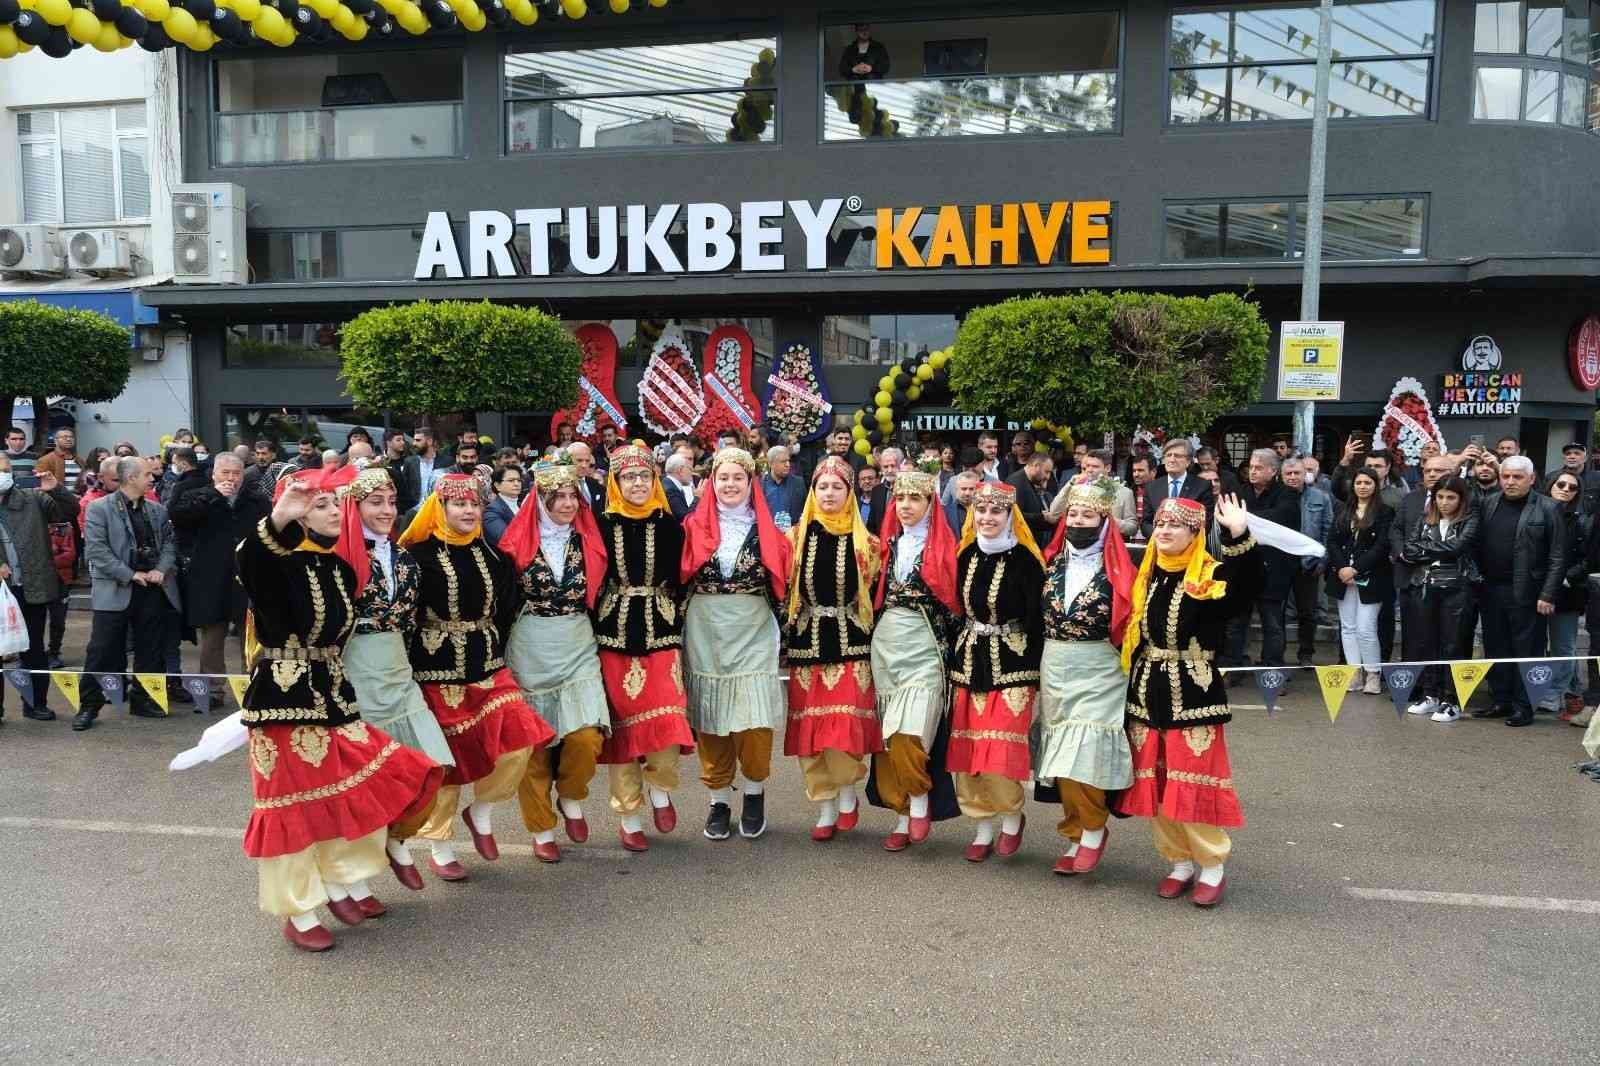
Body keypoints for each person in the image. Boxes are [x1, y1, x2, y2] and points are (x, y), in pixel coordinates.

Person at [227, 467, 444, 952]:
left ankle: (347, 879)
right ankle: (298, 909)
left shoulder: (340, 569)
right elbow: (251, 558)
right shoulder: (275, 562)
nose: (327, 512)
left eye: (332, 504)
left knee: (365, 783)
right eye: (317, 505)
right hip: (282, 701)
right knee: (291, 808)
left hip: (334, 693)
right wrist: (283, 513)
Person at [398, 473, 554, 880]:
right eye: (459, 505)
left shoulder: (494, 555)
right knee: (451, 760)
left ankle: (481, 810)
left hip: (487, 664)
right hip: (435, 668)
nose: (468, 511)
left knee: (521, 739)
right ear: (440, 508)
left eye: (474, 505)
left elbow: (505, 608)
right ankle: (441, 844)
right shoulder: (417, 556)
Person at [1120, 494, 1259, 907]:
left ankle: (1211, 866)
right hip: (1147, 691)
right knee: (1159, 782)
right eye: (1160, 524)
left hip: (1193, 692)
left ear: (1195, 532)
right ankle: (1178, 862)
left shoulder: (1209, 575)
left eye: (1175, 525)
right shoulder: (1148, 574)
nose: (1164, 531)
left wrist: (1238, 533)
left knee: (1192, 781)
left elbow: (1244, 593)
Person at [332, 466, 457, 891]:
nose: (387, 510)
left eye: (390, 502)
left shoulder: (404, 556)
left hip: (399, 670)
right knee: (366, 781)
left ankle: (397, 837)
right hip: (355, 671)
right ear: (354, 505)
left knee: (433, 765)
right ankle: (356, 881)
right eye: (375, 502)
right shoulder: (338, 556)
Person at [679, 447, 792, 842]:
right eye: (723, 478)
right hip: (705, 627)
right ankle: (718, 800)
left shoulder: (769, 533)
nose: (730, 485)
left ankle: (755, 792)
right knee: (710, 715)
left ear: (750, 483)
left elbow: (783, 587)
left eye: (738, 478)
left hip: (753, 626)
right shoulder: (691, 527)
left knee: (754, 716)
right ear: (711, 482)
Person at [501, 461, 611, 863]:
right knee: (535, 744)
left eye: (572, 496)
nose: (567, 504)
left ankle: (571, 795)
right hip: (530, 644)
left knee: (586, 735)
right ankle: (541, 826)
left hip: (578, 640)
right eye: (558, 497)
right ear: (541, 501)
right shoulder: (515, 545)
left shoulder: (591, 542)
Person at [590, 445, 696, 851]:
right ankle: (629, 814)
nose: (637, 484)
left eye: (644, 477)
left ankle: (661, 788)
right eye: (628, 478)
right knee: (623, 731)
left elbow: (684, 578)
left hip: (661, 630)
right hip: (614, 634)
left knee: (669, 716)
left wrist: (675, 611)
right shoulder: (600, 525)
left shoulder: (670, 525)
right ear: (615, 483)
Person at [1034, 478, 1135, 877]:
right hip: (1056, 666)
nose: (1078, 521)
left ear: (1104, 520)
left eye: (1087, 515)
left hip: (1100, 669)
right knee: (1061, 758)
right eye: (1073, 514)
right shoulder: (1050, 562)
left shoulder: (1118, 569)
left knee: (1086, 753)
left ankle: (1093, 831)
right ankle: (1076, 830)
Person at [782, 456, 883, 842]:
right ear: (813, 491)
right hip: (807, 641)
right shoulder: (793, 539)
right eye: (822, 487)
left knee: (842, 728)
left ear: (849, 492)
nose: (828, 494)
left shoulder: (867, 543)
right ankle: (824, 805)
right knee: (812, 733)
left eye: (836, 487)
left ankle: (846, 791)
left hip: (851, 640)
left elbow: (876, 592)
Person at [946, 482, 1045, 864]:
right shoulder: (965, 553)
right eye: (981, 511)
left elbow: (1037, 620)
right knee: (969, 750)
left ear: (1010, 517)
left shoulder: (1026, 560)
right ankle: (982, 825)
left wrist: (1038, 670)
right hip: (969, 660)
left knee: (1001, 749)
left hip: (1014, 662)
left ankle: (1010, 816)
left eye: (995, 513)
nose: (987, 519)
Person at [868, 466, 961, 851]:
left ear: (930, 503)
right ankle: (903, 812)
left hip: (926, 645)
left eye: (915, 498)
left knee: (912, 731)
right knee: (890, 734)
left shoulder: (946, 548)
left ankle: (921, 799)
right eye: (900, 499)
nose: (906, 506)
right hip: (886, 644)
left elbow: (957, 603)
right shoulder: (884, 546)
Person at [75, 457, 179, 729]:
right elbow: (96, 551)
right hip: (115, 590)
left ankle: (143, 700)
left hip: (151, 590)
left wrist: (160, 568)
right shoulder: (99, 509)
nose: (152, 478)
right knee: (101, 650)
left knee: (151, 650)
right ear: (131, 477)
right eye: (147, 474)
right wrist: (130, 574)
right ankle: (88, 705)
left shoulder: (157, 510)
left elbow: (170, 543)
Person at [1471, 456, 1564, 726]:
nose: (1510, 482)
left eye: (1517, 477)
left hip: (1529, 593)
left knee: (1528, 650)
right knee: (1496, 646)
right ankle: (1500, 699)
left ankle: (1524, 706)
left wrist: (1548, 594)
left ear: (1532, 479)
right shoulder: (1488, 503)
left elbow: (1558, 557)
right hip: (1491, 589)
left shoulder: (1549, 507)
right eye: (1506, 476)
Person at [168, 453, 268, 700]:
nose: (231, 479)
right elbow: (179, 517)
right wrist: (213, 495)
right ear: (214, 474)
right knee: (212, 637)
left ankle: (255, 688)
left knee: (252, 636)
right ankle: (213, 690)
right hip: (210, 578)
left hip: (249, 577)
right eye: (226, 473)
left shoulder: (256, 499)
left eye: (236, 473)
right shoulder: (195, 494)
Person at [1399, 476, 1480, 722]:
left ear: (1461, 499)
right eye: (1440, 497)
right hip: (1425, 585)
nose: (1444, 502)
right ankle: (1431, 695)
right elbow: (1408, 549)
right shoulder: (1425, 519)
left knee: (1453, 644)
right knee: (1427, 642)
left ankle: (1451, 700)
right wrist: (1432, 549)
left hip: (1457, 587)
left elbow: (1458, 547)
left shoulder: (1470, 518)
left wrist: (1425, 549)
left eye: (1451, 497)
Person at [0, 458, 74, 722]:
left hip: (30, 587)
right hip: (1, 591)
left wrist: (55, 489)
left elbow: (69, 512)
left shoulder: (32, 498)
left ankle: (35, 703)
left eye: (6, 470)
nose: (3, 475)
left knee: (33, 649)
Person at [1223, 449, 1299, 675]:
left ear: (1273, 471)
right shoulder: (1241, 491)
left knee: (1273, 624)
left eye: (1259, 468)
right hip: (1243, 568)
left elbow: (1281, 518)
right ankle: (1233, 670)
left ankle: (1272, 672)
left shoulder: (1288, 494)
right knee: (1236, 623)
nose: (1252, 471)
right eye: (1252, 467)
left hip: (1274, 570)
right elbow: (1228, 521)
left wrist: (1245, 519)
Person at [1325, 469, 1395, 696]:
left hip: (1372, 577)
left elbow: (1382, 546)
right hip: (1343, 577)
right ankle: (1354, 673)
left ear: (1376, 485)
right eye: (1358, 482)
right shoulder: (1343, 510)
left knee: (1366, 628)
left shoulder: (1385, 512)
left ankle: (1373, 673)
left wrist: (1357, 568)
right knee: (1348, 627)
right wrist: (1343, 568)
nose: (1363, 486)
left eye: (1367, 482)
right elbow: (1333, 541)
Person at [1543, 472, 1590, 719]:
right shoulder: (1536, 513)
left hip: (1567, 593)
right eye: (1561, 484)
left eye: (1572, 487)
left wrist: (1564, 578)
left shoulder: (1582, 521)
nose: (1565, 489)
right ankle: (1568, 691)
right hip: (1535, 590)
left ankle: (1553, 695)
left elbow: (1588, 558)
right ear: (1550, 485)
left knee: (1564, 646)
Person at [1282, 455, 1332, 666]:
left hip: (1308, 563)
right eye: (1288, 473)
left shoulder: (1321, 497)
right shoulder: (1275, 497)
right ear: (1281, 475)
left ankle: (1306, 654)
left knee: (1308, 613)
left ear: (1306, 475)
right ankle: (1277, 657)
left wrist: (1323, 560)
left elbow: (1328, 531)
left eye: (1297, 473)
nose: (1293, 477)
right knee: (1278, 613)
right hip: (1281, 564)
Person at [1048, 449, 1137, 539]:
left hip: (1110, 547)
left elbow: (1132, 528)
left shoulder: (1124, 492)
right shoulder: (1078, 489)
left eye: (1095, 466)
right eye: (1087, 466)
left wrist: (1107, 520)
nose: (1089, 470)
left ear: (1108, 468)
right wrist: (1069, 484)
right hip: (1077, 545)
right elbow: (1054, 512)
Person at [1141, 439, 1212, 539]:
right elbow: (1145, 523)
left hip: (1189, 549)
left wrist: (1177, 540)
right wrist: (1162, 536)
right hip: (1159, 547)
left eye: (1177, 456)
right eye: (1168, 455)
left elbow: (1206, 523)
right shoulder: (1152, 487)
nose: (1172, 460)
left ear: (1188, 461)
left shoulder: (1202, 486)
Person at [760, 445, 806, 532]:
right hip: (769, 535)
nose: (788, 465)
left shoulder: (799, 483)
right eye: (783, 462)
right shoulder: (761, 485)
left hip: (793, 536)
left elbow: (804, 511)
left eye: (788, 461)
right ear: (771, 463)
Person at [483, 465, 523, 545]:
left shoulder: (522, 505)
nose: (516, 484)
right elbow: (507, 539)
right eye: (511, 480)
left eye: (519, 480)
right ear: (497, 485)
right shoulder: (491, 511)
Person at [565, 441, 606, 508]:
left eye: (587, 461)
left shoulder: (596, 485)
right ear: (568, 460)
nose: (584, 465)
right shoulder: (560, 487)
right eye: (579, 460)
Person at [943, 469, 979, 536]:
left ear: (977, 490)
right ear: (956, 489)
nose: (967, 493)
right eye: (963, 489)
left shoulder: (983, 511)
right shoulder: (945, 512)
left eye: (971, 489)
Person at [663, 453, 697, 518]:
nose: (691, 473)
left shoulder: (669, 484)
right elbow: (684, 518)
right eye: (689, 469)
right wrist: (697, 498)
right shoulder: (671, 490)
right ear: (680, 470)